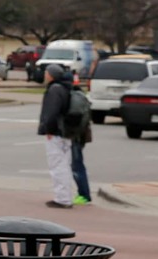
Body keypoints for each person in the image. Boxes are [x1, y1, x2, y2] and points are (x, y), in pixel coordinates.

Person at [38, 63, 76, 208]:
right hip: (66, 132)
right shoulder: (65, 88)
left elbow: (52, 112)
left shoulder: (54, 90)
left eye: (47, 73)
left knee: (57, 166)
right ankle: (65, 196)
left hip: (56, 133)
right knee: (64, 164)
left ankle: (62, 198)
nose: (45, 75)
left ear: (52, 75)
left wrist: (48, 129)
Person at [68, 70, 93, 205]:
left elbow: (75, 118)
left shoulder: (74, 97)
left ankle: (84, 194)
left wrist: (70, 133)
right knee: (76, 165)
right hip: (80, 136)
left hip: (75, 136)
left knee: (77, 166)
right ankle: (83, 193)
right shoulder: (80, 95)